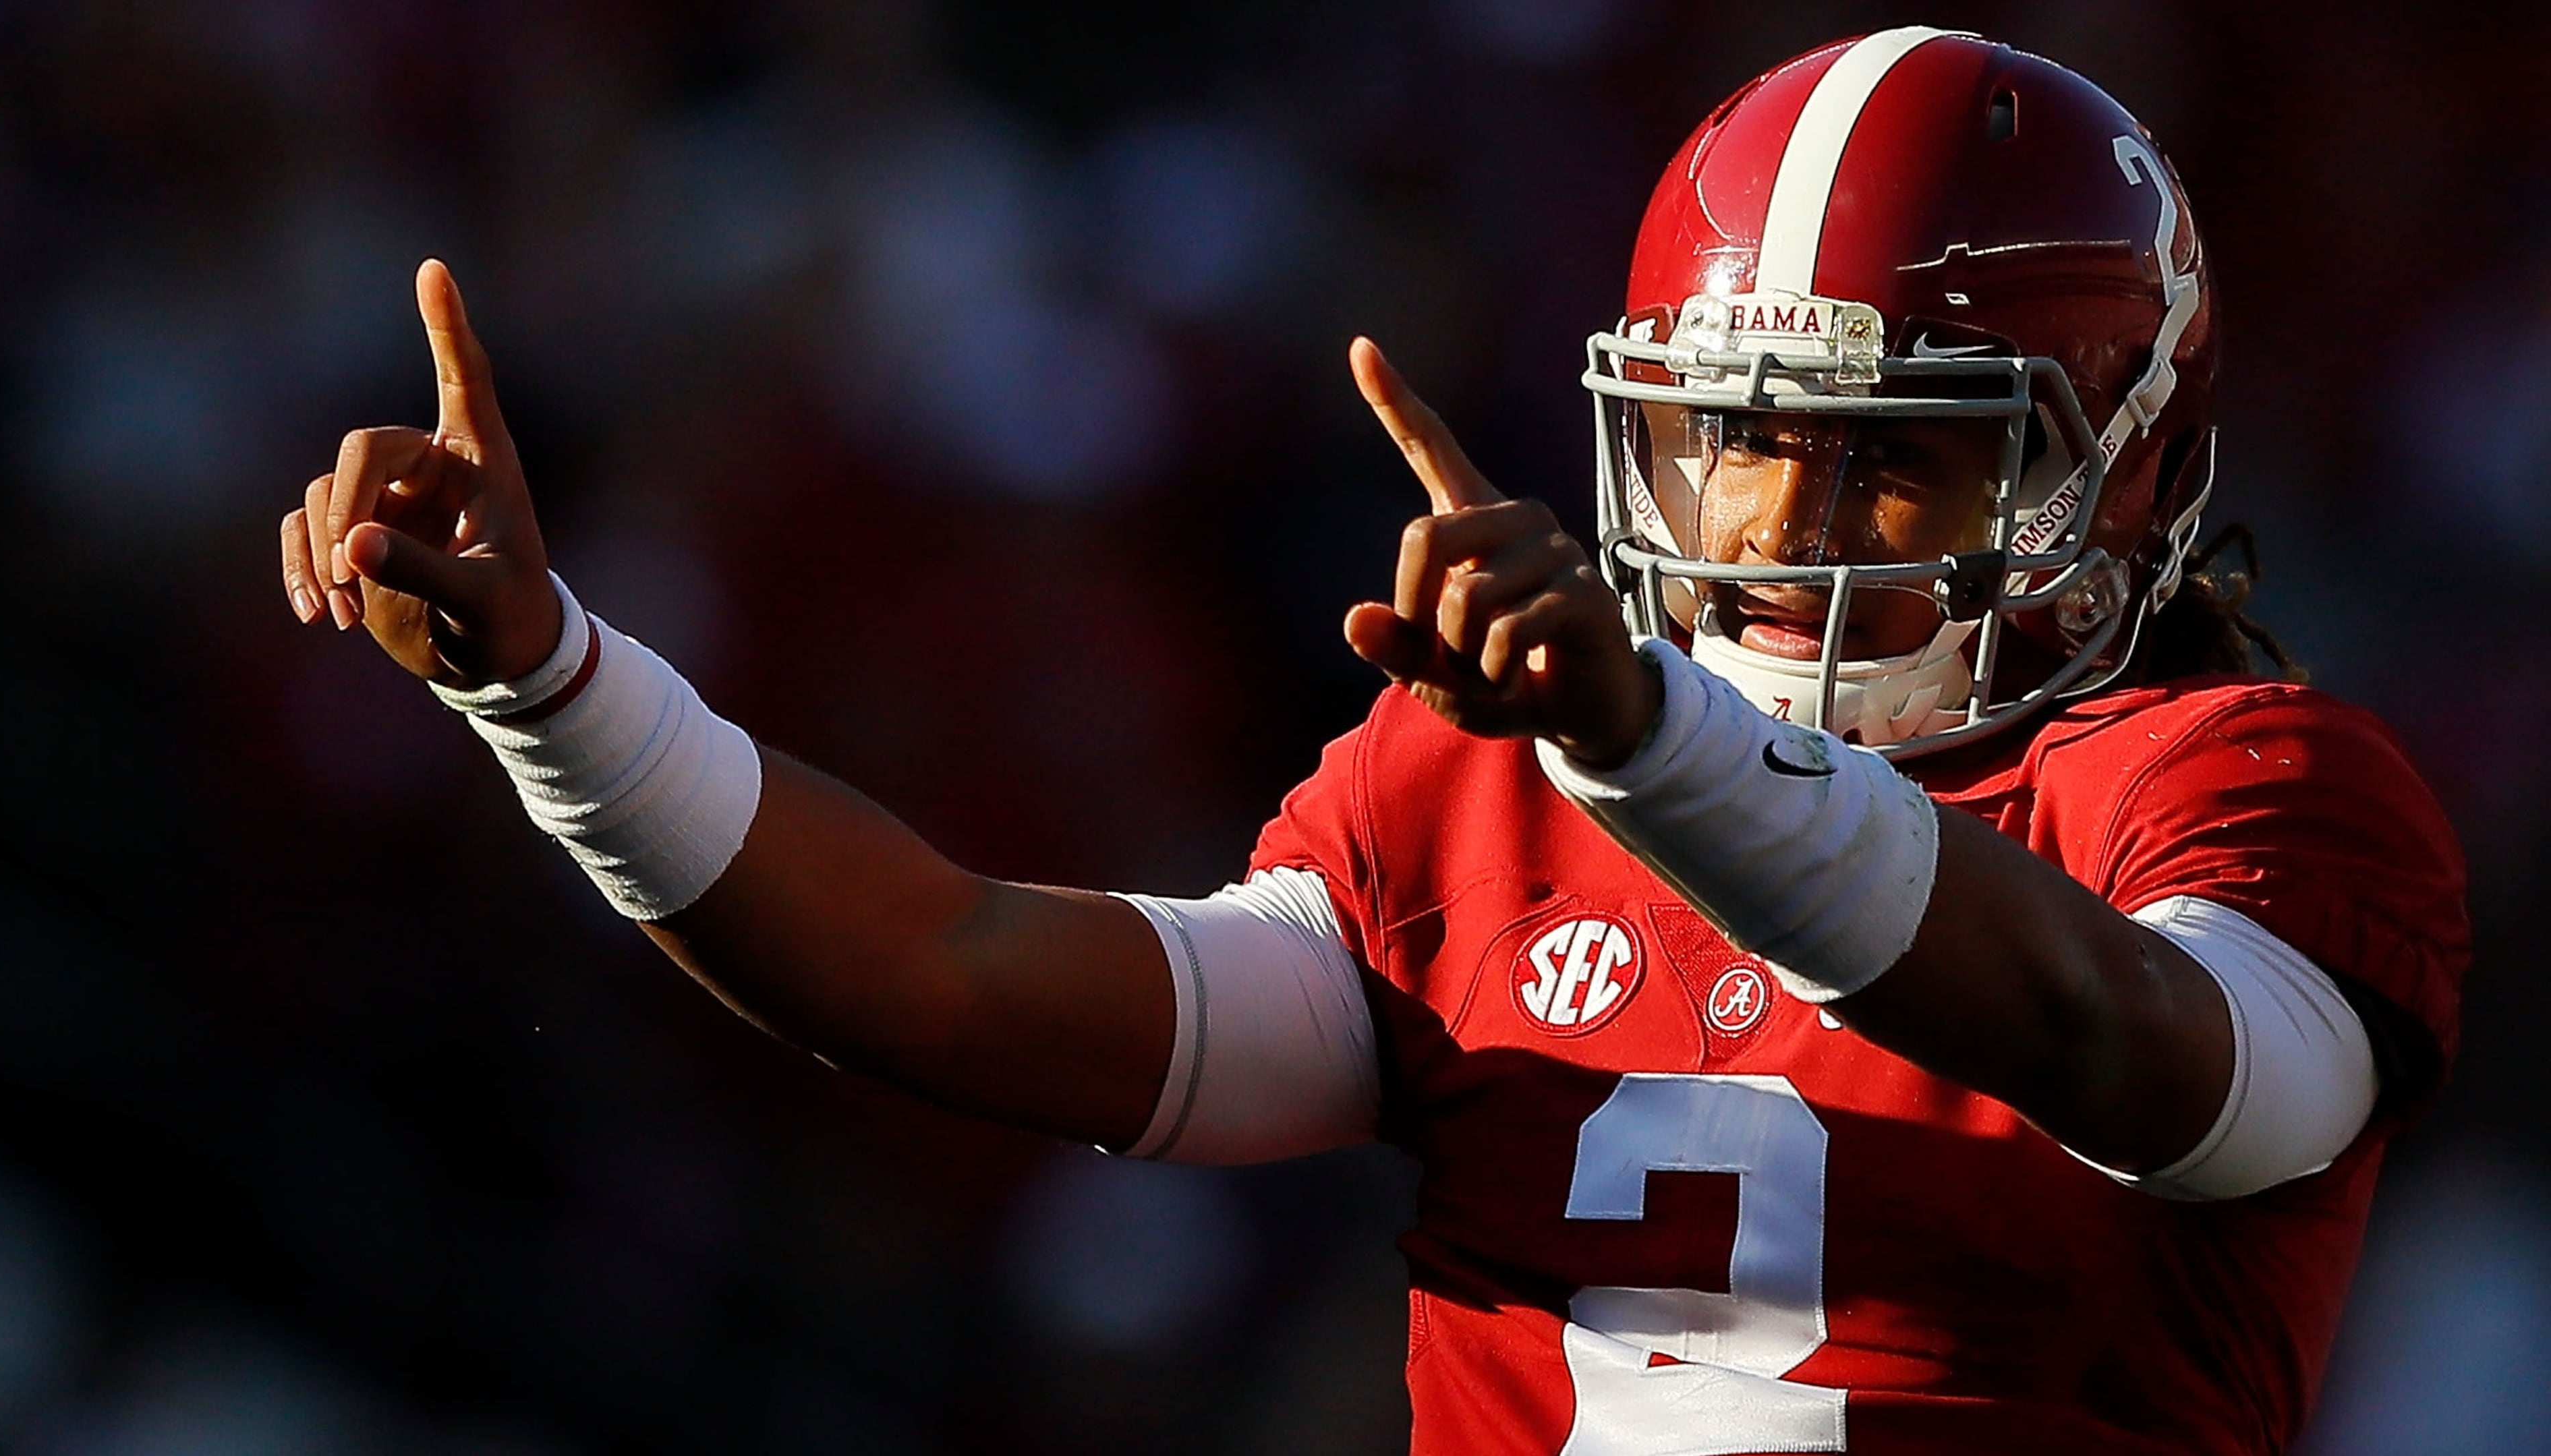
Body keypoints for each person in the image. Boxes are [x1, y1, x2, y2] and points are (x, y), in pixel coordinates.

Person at [277, 28, 2466, 1455]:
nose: (1787, 531)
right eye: (1732, 450)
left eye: (1892, 465)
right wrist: (552, 682)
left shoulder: (2242, 784)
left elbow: (2114, 1036)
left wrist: (1658, 752)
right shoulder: (1492, 782)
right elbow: (943, 977)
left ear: (2128, 475)